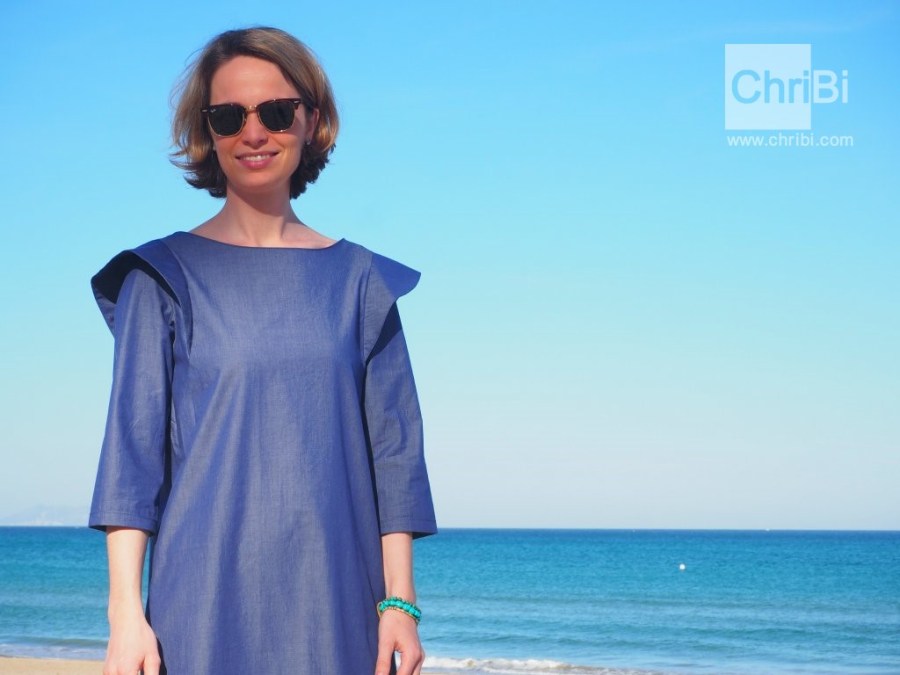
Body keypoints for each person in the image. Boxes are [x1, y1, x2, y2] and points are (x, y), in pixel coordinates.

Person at [88, 27, 437, 675]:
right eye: (229, 116)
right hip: (198, 608)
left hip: (340, 605)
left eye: (276, 112)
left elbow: (396, 459)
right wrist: (125, 616)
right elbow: (130, 462)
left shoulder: (363, 284)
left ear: (312, 121)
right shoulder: (159, 277)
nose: (253, 133)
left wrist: (401, 603)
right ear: (207, 131)